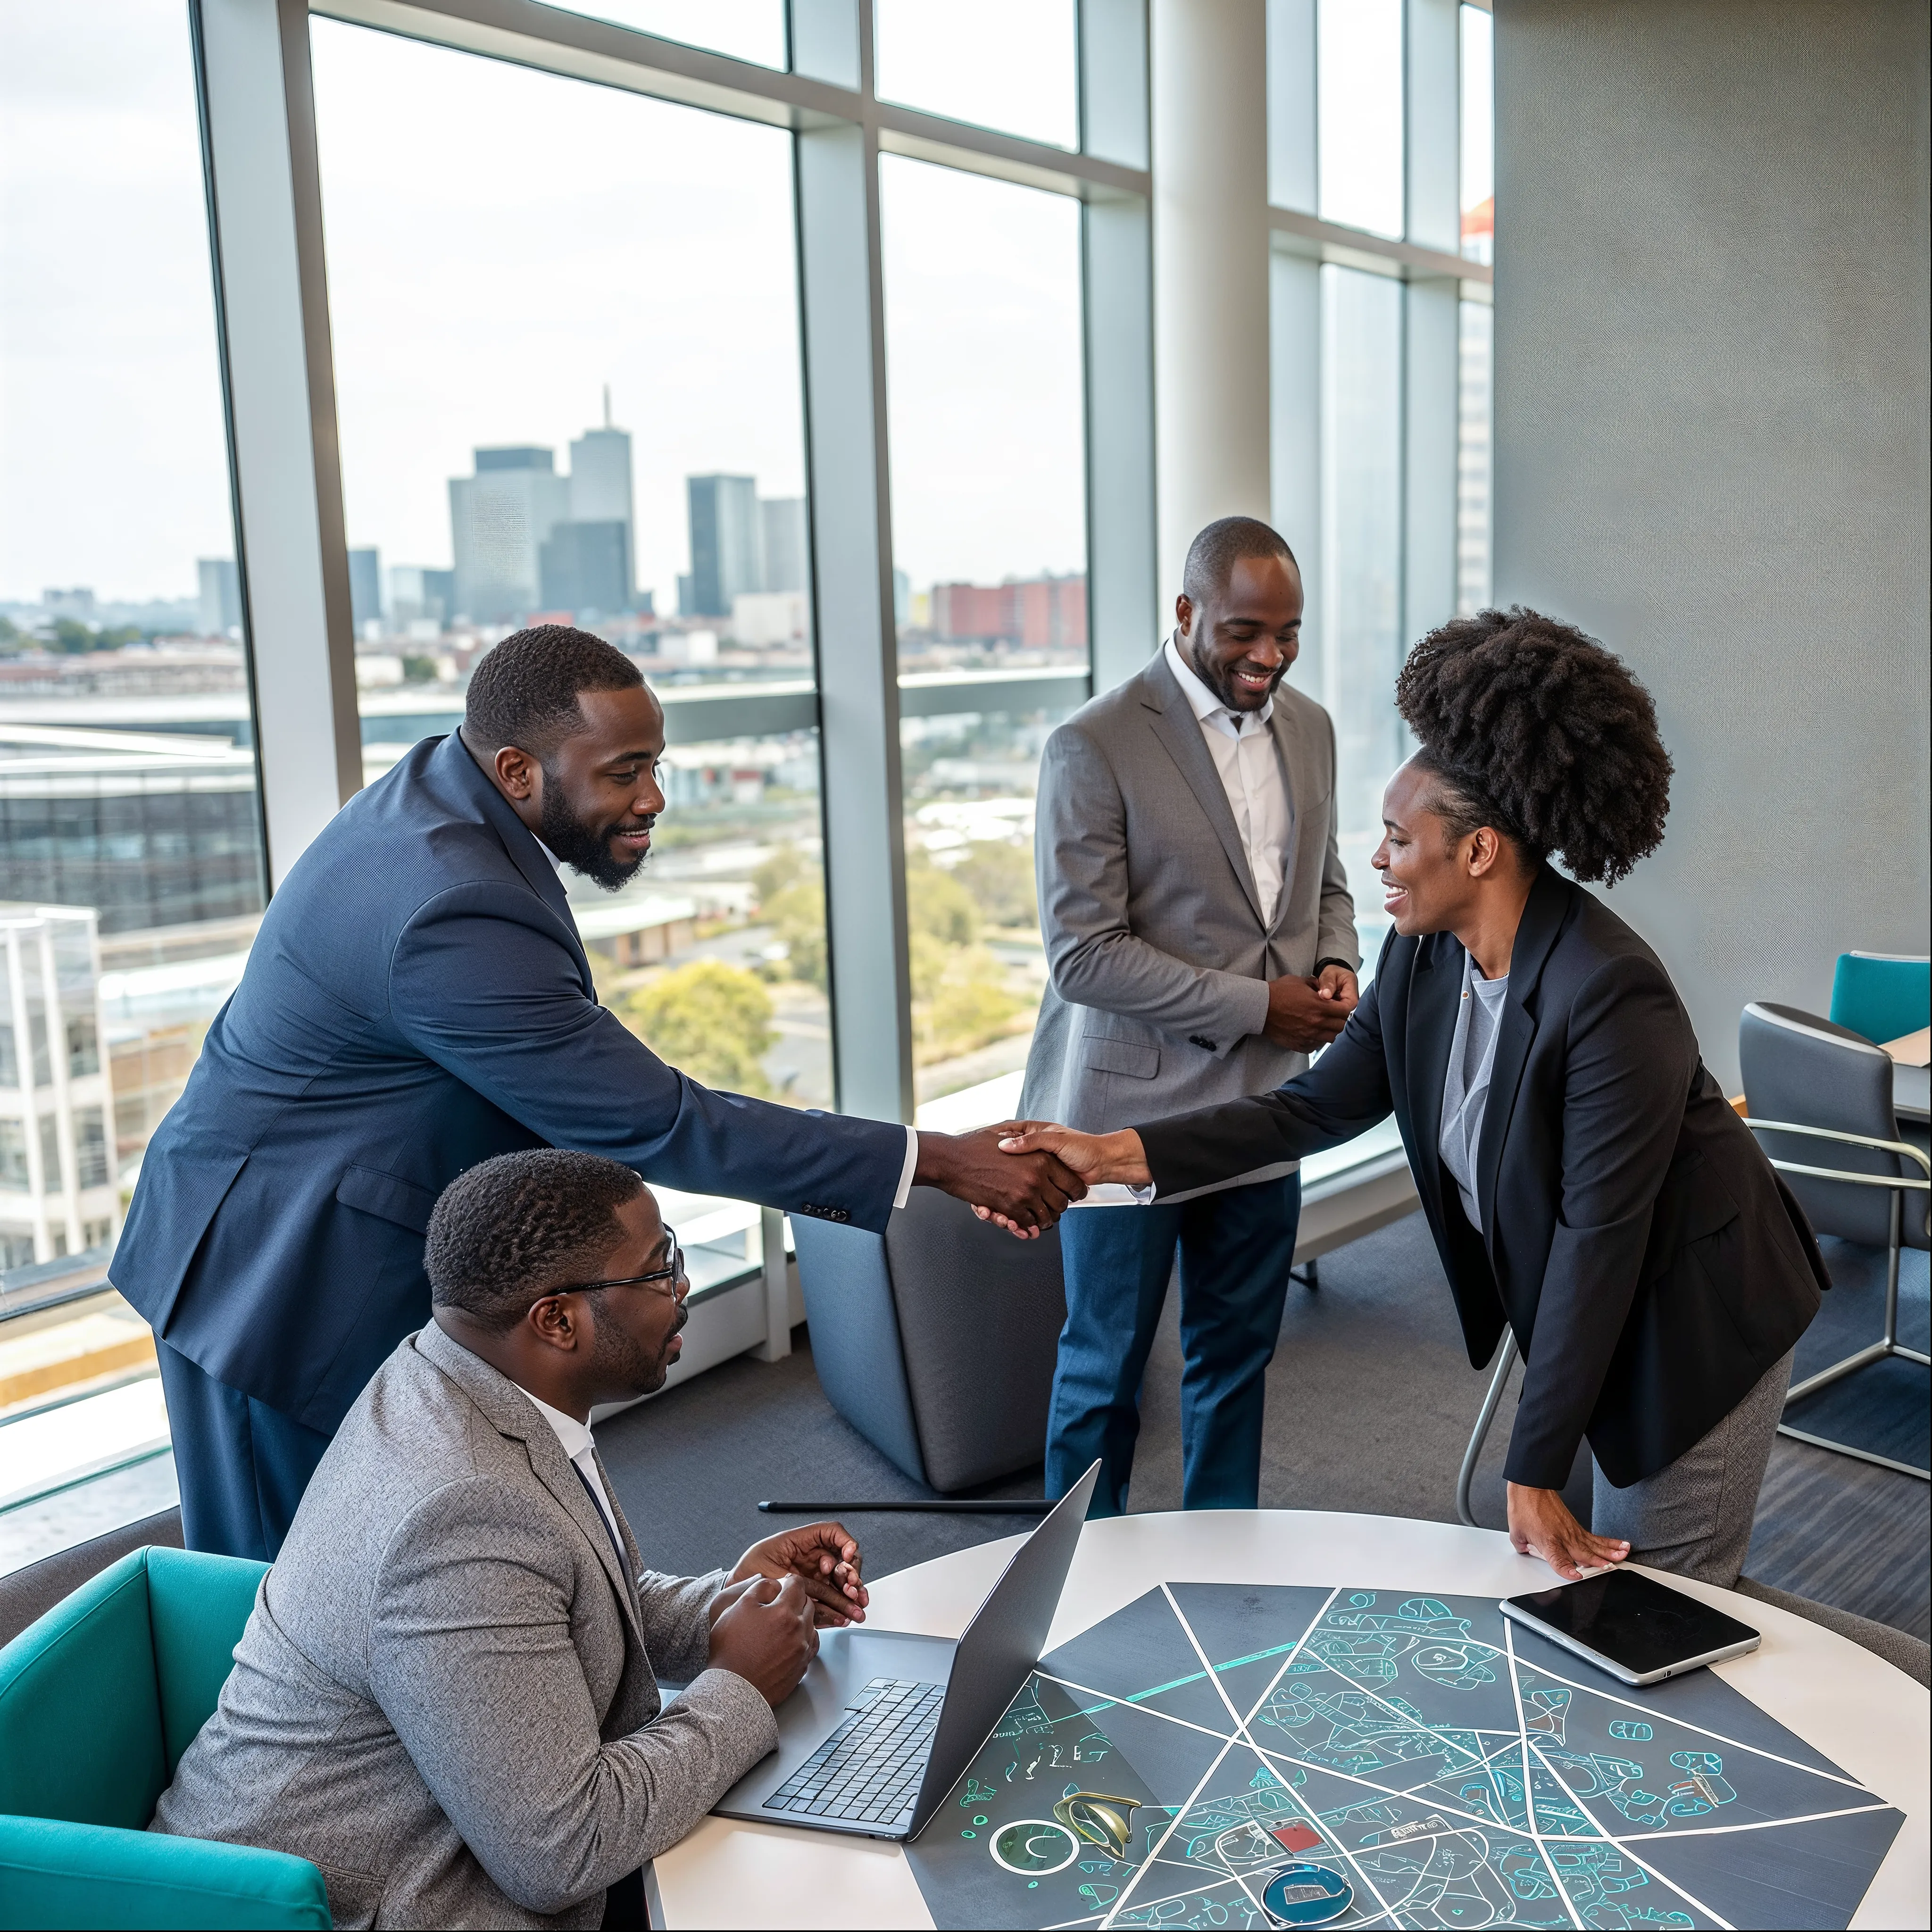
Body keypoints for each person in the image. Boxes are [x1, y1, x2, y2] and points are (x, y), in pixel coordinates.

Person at [114, 625, 1084, 1561]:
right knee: (283, 1596)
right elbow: (656, 1120)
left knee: (387, 1564)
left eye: (655, 763)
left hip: (335, 1214)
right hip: (276, 1273)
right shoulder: (451, 905)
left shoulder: (449, 794)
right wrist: (940, 1161)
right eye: (623, 772)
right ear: (517, 770)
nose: (653, 796)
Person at [997, 608, 1828, 1585]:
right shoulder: (1425, 955)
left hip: (1697, 1313)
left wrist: (1531, 1465)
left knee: (1666, 1600)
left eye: (1397, 839)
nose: (1376, 861)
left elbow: (1598, 1236)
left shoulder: (1609, 992)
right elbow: (1312, 1108)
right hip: (1600, 1303)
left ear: (1477, 853)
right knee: (1627, 1591)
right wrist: (1114, 1152)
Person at [154, 1149, 866, 1930]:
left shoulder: (461, 1378)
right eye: (660, 1268)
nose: (683, 1287)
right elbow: (562, 1852)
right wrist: (739, 1684)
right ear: (557, 1320)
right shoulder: (459, 1512)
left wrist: (725, 1605)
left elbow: (561, 1595)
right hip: (352, 1908)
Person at [1018, 516, 1359, 1517]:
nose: (1270, 656)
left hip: (1262, 1108)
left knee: (1237, 1354)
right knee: (1104, 1370)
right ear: (1184, 612)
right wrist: (1262, 1005)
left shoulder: (1313, 728)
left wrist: (1336, 959)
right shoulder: (1093, 743)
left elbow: (1325, 882)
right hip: (1125, 1109)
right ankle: (1075, 1576)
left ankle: (1220, 1564)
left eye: (1288, 633)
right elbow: (1084, 955)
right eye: (1245, 631)